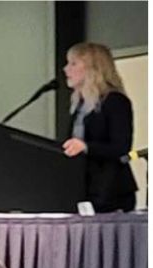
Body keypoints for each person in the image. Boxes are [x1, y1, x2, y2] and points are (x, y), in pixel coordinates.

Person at [62, 42, 137, 212]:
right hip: (82, 190)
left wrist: (86, 147)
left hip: (110, 192)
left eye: (73, 63)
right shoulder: (79, 105)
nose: (66, 69)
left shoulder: (115, 101)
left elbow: (121, 147)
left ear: (93, 68)